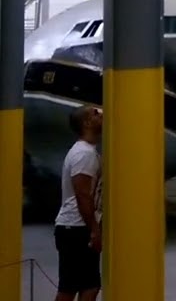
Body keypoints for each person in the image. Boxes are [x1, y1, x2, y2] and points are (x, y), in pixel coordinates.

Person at [53, 105, 103, 301]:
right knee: (70, 288)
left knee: (89, 286)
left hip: (75, 227)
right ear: (87, 123)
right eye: (96, 113)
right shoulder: (84, 154)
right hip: (75, 228)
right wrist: (94, 229)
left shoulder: (88, 151)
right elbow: (83, 195)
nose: (102, 114)